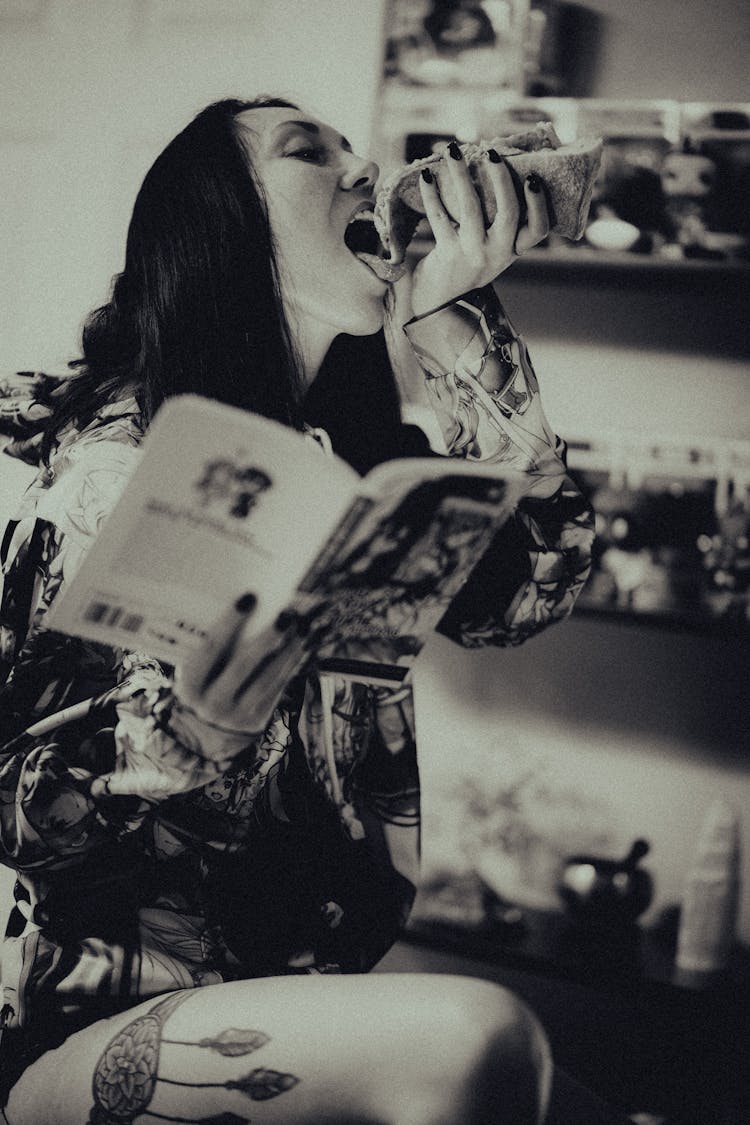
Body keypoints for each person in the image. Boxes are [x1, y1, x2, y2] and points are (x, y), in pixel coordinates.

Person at [0, 97, 598, 1124]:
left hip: (298, 996)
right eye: (305, 151)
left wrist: (453, 316)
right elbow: (17, 809)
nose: (365, 166)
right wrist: (183, 738)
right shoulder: (125, 467)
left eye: (350, 144)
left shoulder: (344, 467)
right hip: (91, 1018)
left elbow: (530, 595)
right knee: (478, 1041)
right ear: (223, 222)